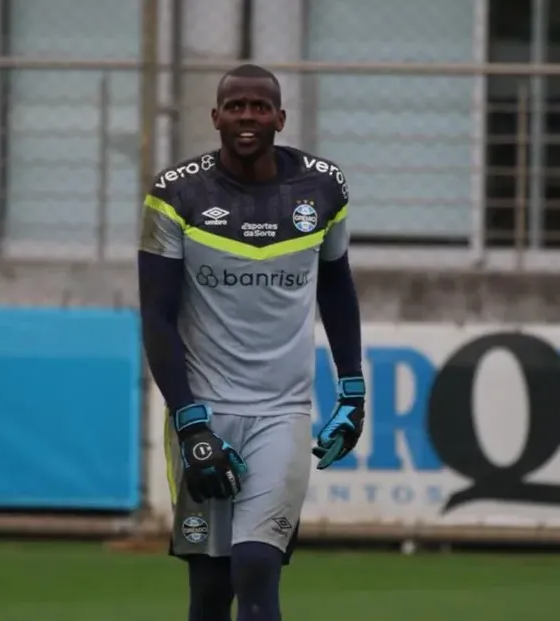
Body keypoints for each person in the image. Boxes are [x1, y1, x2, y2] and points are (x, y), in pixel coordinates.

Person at [137, 63, 365, 621]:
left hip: (282, 414)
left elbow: (336, 286)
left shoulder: (323, 187)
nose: (247, 117)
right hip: (203, 414)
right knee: (210, 593)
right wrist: (191, 425)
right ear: (215, 116)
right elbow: (157, 316)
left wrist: (352, 393)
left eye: (259, 107)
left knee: (257, 567)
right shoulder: (174, 195)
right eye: (235, 106)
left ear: (280, 118)